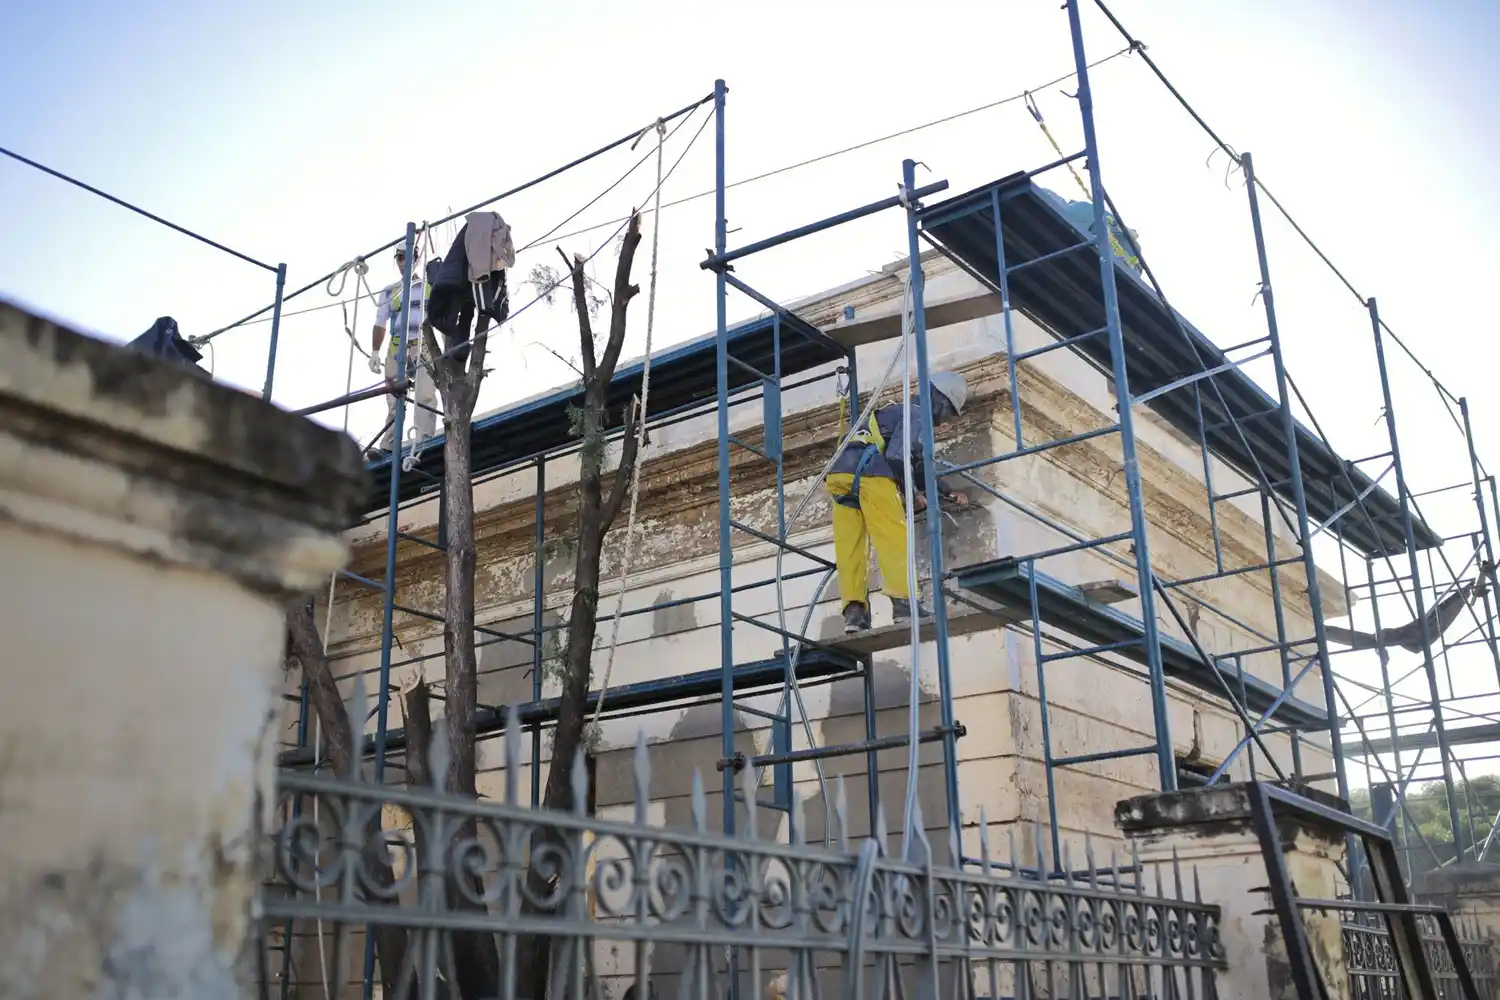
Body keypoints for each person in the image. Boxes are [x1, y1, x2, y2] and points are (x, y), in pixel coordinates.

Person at [826, 370, 970, 634]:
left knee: (851, 548)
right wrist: (913, 492)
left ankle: (854, 613)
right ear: (939, 401)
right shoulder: (916, 415)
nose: (943, 422)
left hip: (840, 475)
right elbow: (897, 456)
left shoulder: (894, 413)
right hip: (873, 474)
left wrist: (944, 491)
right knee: (894, 538)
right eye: (948, 412)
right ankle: (904, 605)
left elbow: (914, 463)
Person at [368, 246, 437, 459]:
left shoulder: (429, 287)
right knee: (393, 396)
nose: (403, 262)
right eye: (399, 258)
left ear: (416, 260)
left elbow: (441, 320)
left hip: (424, 345)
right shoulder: (390, 292)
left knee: (425, 394)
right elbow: (380, 321)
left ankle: (423, 440)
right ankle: (389, 444)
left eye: (408, 258)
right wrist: (375, 351)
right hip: (398, 347)